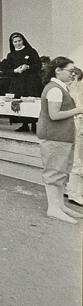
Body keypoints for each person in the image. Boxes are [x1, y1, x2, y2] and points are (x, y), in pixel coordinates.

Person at [36, 57, 83, 223]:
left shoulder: (61, 87)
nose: (72, 74)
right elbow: (54, 115)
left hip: (62, 137)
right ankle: (53, 208)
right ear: (58, 70)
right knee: (54, 172)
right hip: (54, 137)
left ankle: (60, 205)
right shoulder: (54, 89)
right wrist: (78, 109)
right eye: (69, 71)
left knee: (61, 171)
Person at [1, 32, 43, 132]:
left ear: (23, 40)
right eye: (15, 42)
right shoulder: (11, 55)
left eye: (20, 41)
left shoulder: (31, 51)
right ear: (12, 43)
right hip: (18, 82)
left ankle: (34, 124)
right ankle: (24, 125)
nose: (18, 43)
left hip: (31, 82)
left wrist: (28, 67)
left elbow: (38, 65)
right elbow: (7, 70)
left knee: (31, 101)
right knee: (20, 102)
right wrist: (15, 71)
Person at [65, 67, 83, 207]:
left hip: (73, 124)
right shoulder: (70, 93)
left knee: (73, 159)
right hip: (74, 125)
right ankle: (74, 193)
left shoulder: (73, 92)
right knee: (76, 160)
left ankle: (70, 188)